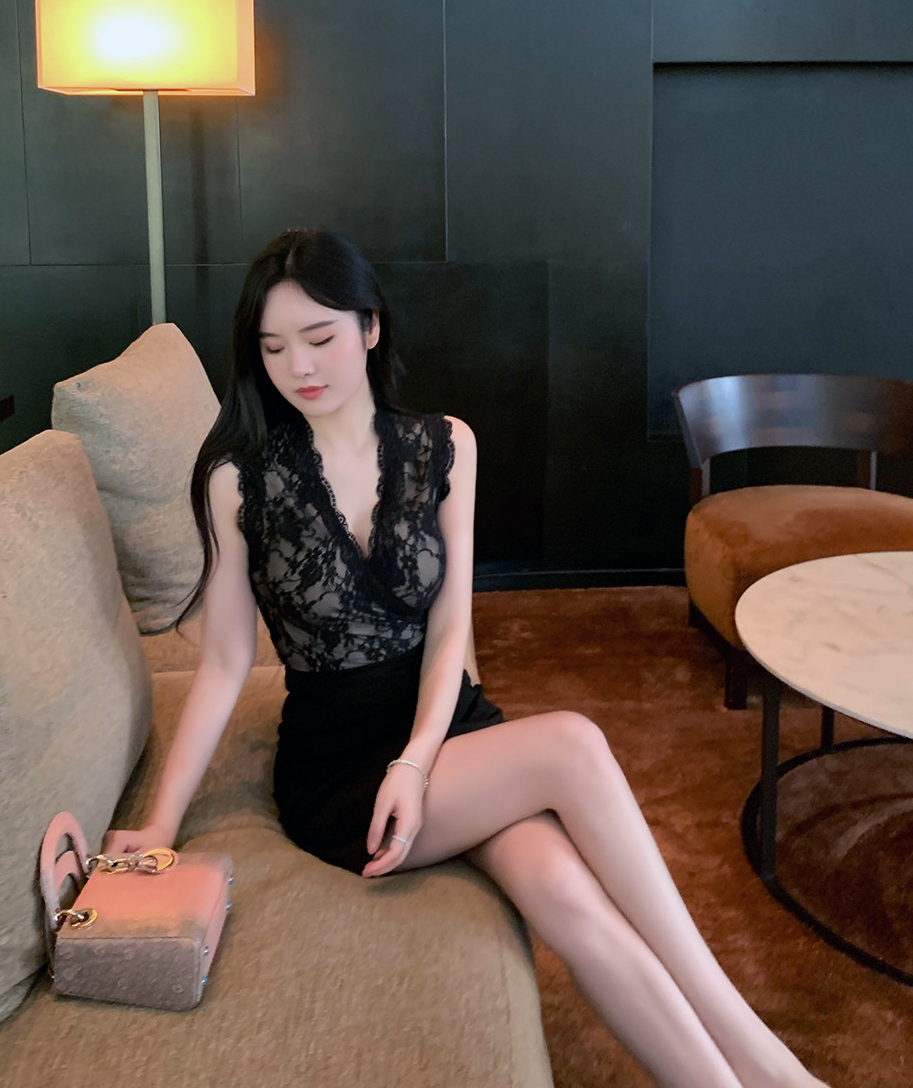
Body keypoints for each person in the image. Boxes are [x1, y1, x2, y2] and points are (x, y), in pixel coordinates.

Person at [106, 228, 831, 1088]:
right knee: (572, 744)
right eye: (272, 347)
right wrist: (160, 823)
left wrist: (419, 758)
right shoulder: (240, 478)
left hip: (444, 730)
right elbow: (227, 663)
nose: (298, 366)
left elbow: (451, 625)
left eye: (320, 336)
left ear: (370, 327)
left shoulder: (445, 444)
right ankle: (769, 1062)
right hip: (340, 770)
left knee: (564, 894)